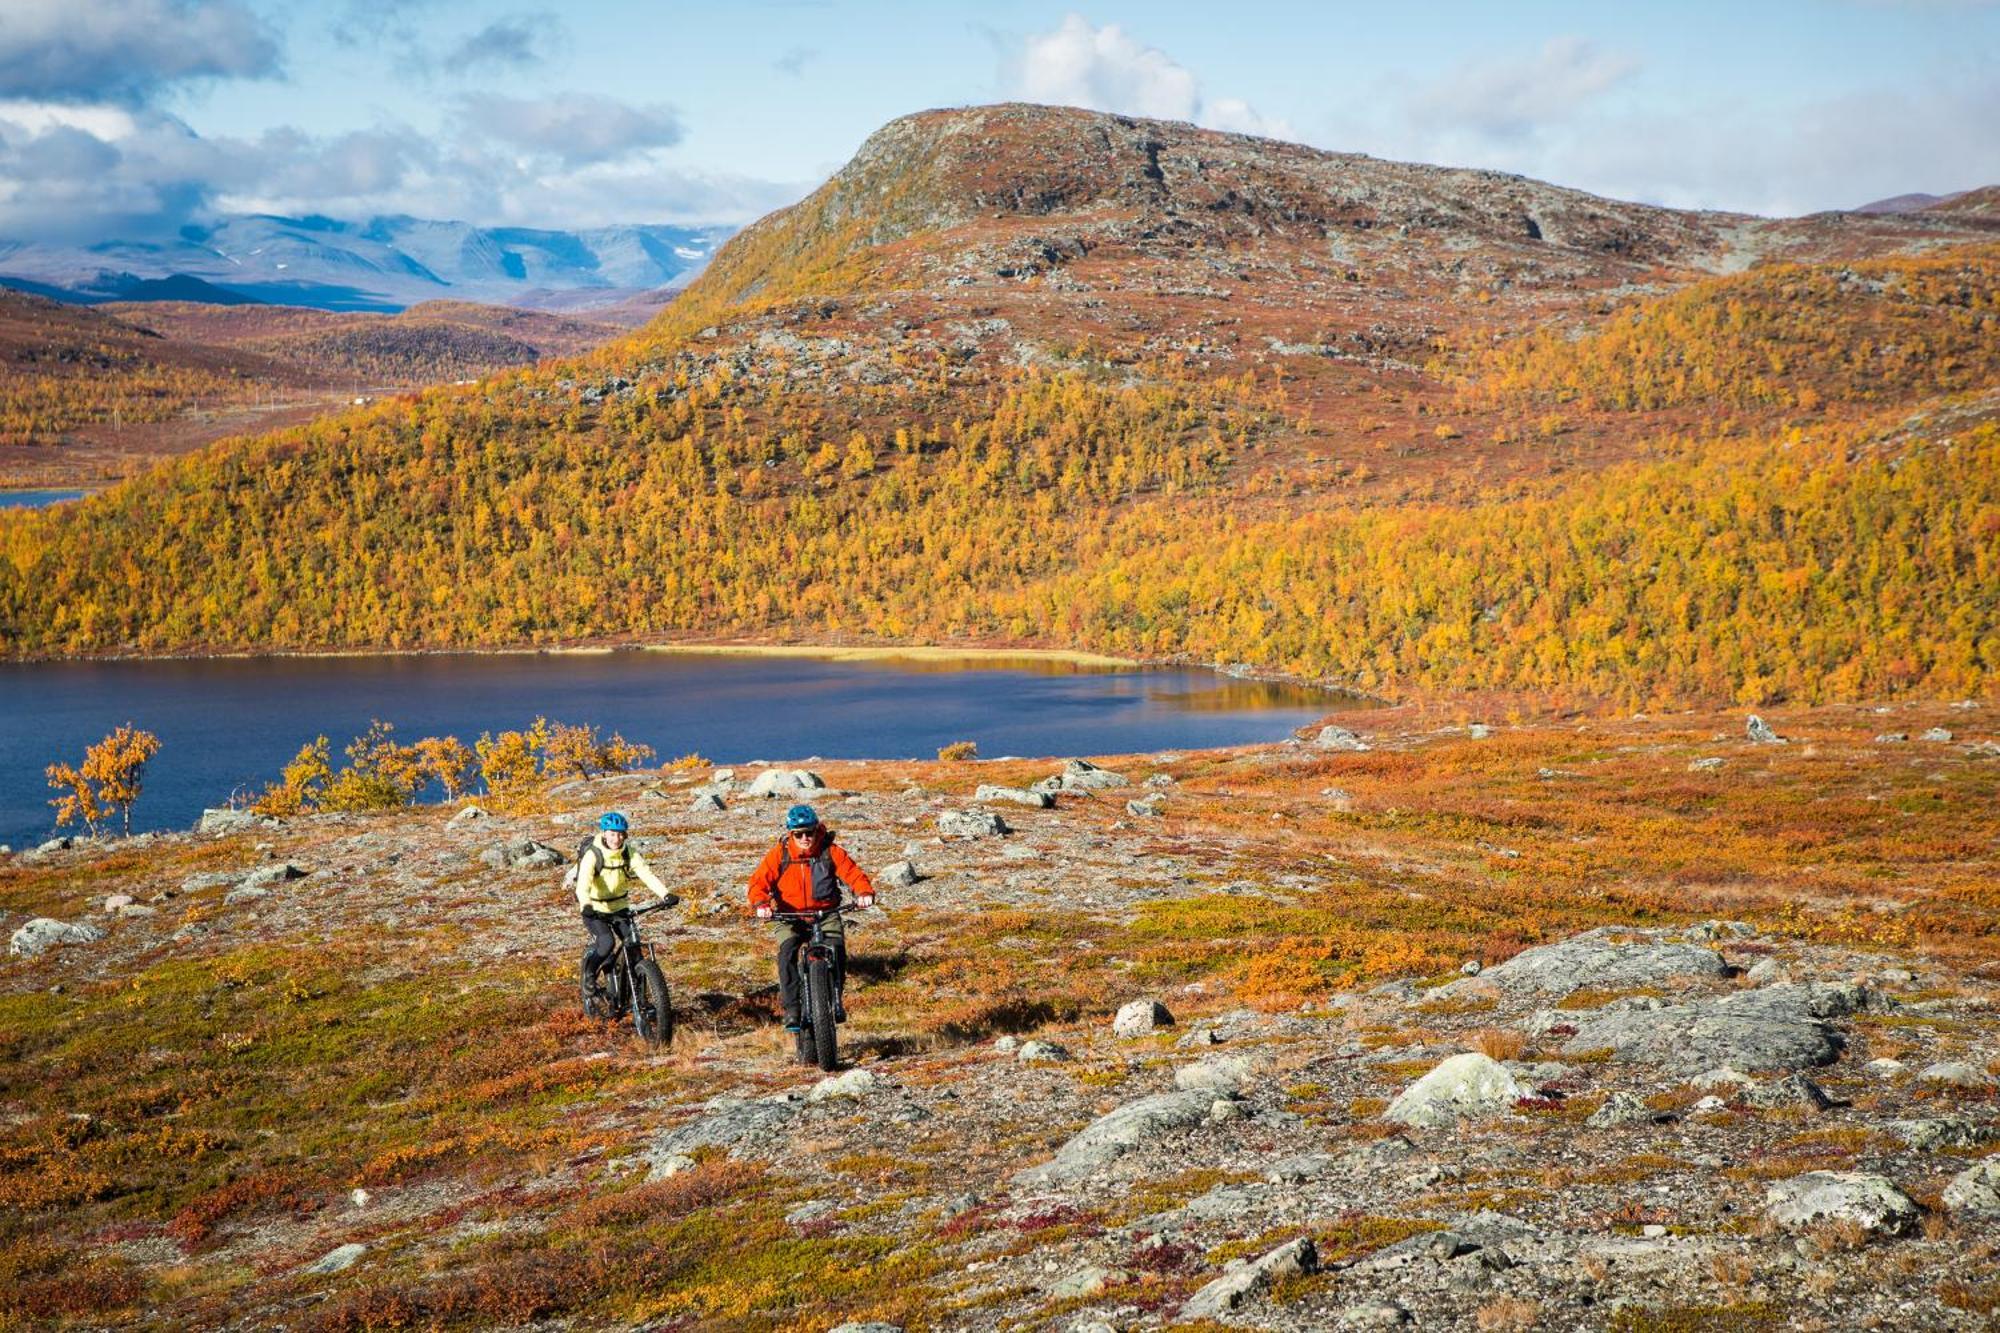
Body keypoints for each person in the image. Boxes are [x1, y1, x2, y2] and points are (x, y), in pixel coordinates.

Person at [747, 803, 876, 1031]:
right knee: (787, 953)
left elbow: (854, 874)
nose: (805, 838)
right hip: (789, 915)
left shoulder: (830, 851)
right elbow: (757, 883)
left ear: (818, 830)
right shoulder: (779, 854)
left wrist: (864, 893)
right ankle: (792, 1010)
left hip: (825, 913)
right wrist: (761, 904)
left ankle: (835, 999)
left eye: (810, 832)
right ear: (791, 834)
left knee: (837, 950)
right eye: (799, 834)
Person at [573, 811, 677, 1015]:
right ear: (604, 833)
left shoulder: (629, 853)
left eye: (620, 834)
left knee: (634, 948)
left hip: (619, 908)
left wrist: (666, 894)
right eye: (612, 834)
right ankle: (589, 976)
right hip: (594, 909)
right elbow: (583, 883)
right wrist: (585, 904)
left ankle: (638, 997)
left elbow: (646, 874)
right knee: (606, 943)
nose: (616, 838)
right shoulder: (593, 854)